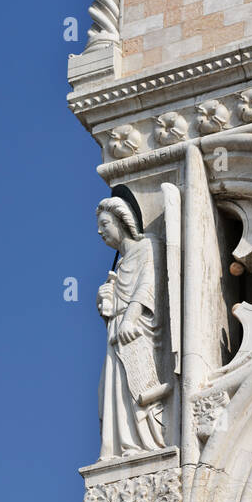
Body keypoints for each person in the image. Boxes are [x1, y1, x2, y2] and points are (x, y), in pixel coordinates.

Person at [96, 196, 169, 460]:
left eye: (105, 223)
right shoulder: (120, 263)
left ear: (121, 222)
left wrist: (129, 316)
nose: (100, 231)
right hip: (117, 334)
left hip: (137, 331)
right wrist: (106, 299)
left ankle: (144, 443)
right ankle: (120, 445)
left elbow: (148, 284)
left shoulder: (148, 245)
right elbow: (117, 302)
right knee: (111, 393)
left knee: (136, 388)